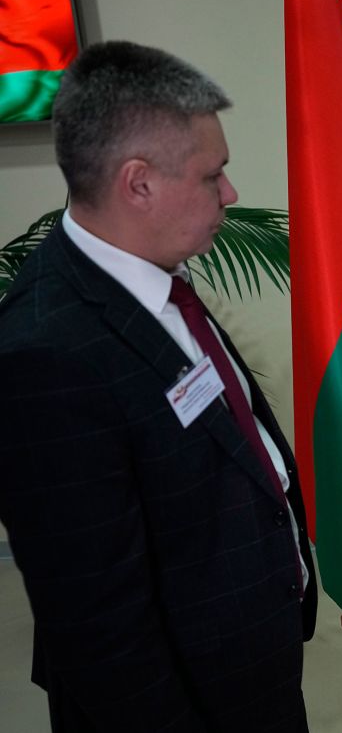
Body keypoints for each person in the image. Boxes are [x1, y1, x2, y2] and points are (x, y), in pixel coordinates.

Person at [0, 42, 317, 732]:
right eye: (214, 175)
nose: (231, 194)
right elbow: (98, 627)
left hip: (247, 666)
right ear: (138, 184)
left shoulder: (158, 278)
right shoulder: (45, 353)